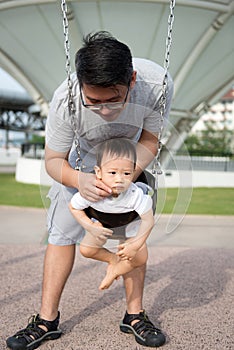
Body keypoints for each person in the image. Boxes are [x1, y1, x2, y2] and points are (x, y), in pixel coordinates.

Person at [6, 31, 173, 349]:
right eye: (94, 102)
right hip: (79, 167)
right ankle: (46, 319)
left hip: (129, 163)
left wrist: (124, 176)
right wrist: (78, 180)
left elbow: (150, 139)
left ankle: (134, 315)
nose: (106, 110)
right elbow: (53, 160)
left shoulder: (157, 84)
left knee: (132, 238)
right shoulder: (64, 100)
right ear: (80, 86)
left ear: (133, 80)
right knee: (60, 235)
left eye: (114, 100)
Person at [69, 138, 155, 291]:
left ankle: (117, 270)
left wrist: (135, 245)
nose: (119, 179)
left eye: (127, 173)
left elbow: (148, 221)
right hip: (102, 226)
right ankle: (113, 260)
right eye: (113, 172)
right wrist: (90, 226)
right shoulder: (93, 191)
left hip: (130, 225)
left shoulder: (135, 195)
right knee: (86, 249)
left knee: (141, 257)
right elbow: (74, 207)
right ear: (98, 172)